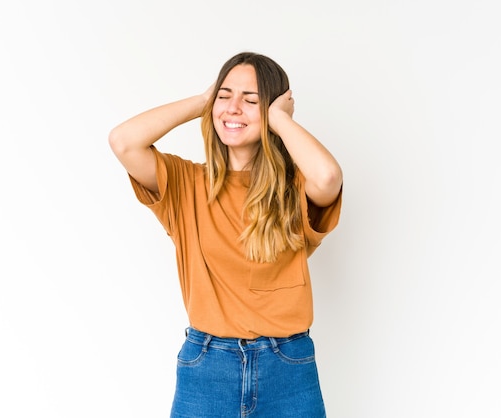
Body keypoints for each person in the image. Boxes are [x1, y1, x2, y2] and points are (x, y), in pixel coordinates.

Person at [109, 51, 343, 417]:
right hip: (207, 367)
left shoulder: (295, 189)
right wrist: (204, 101)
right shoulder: (186, 185)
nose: (234, 107)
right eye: (225, 95)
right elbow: (124, 141)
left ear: (271, 112)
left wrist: (279, 120)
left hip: (288, 366)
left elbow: (328, 177)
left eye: (251, 100)